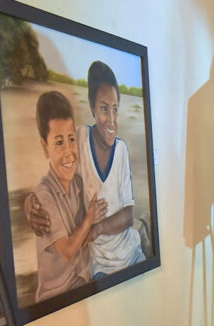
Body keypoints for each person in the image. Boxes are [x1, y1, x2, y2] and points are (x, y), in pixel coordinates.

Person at [27, 61, 145, 280]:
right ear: (92, 107)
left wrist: (96, 228)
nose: (112, 120)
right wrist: (30, 205)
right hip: (100, 265)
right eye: (104, 108)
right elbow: (54, 171)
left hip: (131, 251)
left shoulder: (121, 150)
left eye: (115, 109)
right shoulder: (78, 139)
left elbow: (128, 215)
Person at [32, 91, 105, 301]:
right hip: (56, 299)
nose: (68, 152)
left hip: (82, 284)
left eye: (71, 139)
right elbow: (68, 251)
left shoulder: (78, 183)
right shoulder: (43, 196)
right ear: (45, 147)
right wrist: (90, 218)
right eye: (58, 142)